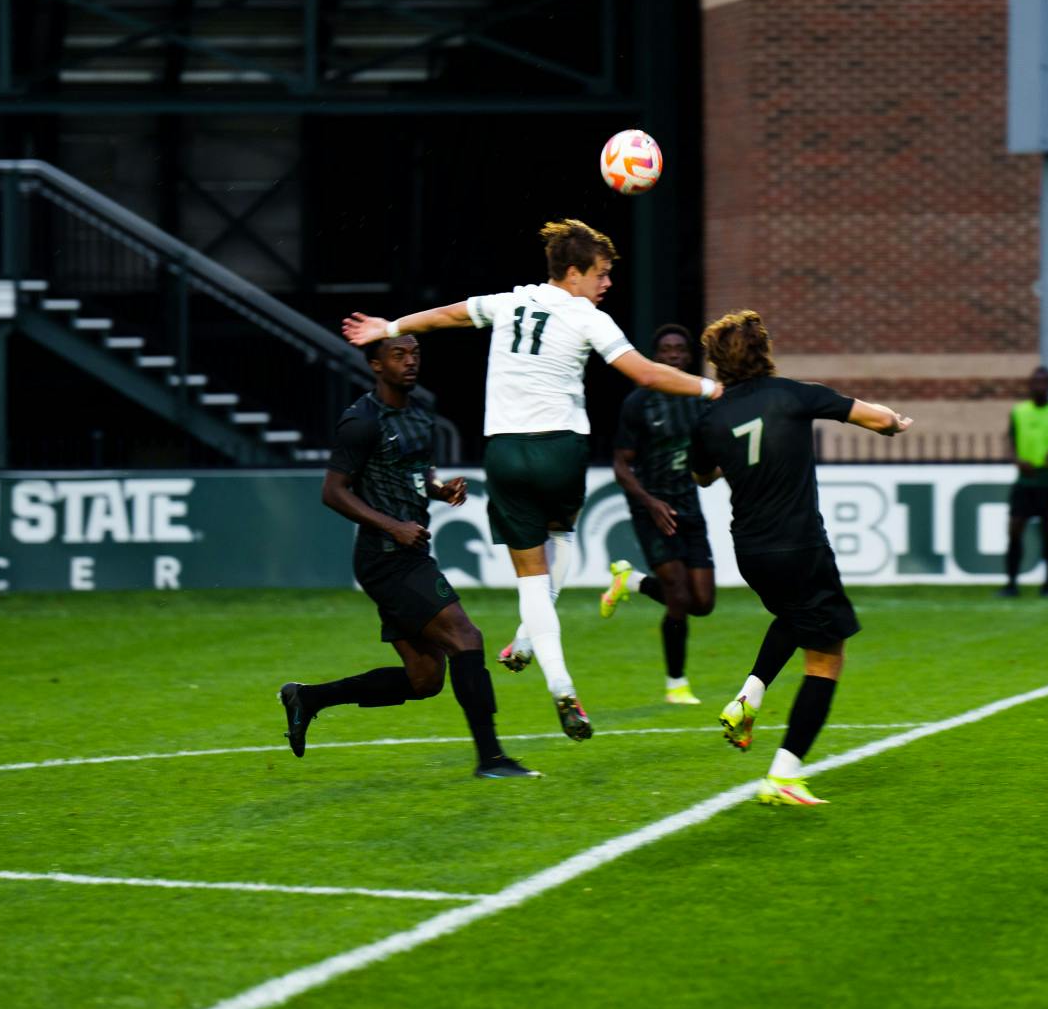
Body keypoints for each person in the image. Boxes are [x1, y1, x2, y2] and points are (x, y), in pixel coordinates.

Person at [340, 219, 720, 743]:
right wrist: (710, 389)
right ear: (573, 272)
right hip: (560, 447)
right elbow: (648, 374)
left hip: (504, 452)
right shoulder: (586, 316)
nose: (607, 285)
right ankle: (526, 642)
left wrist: (388, 328)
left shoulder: (508, 302)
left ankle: (554, 676)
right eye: (601, 274)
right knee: (560, 541)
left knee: (529, 578)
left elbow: (447, 314)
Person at [278, 333, 538, 779]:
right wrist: (393, 526)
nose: (410, 361)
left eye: (415, 353)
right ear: (376, 365)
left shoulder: (421, 413)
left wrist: (439, 489)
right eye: (398, 354)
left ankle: (308, 698)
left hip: (407, 551)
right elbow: (333, 492)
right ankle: (492, 759)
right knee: (466, 637)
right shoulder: (360, 420)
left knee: (424, 679)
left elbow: (415, 471)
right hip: (385, 556)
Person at [689, 310, 912, 808]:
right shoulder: (792, 394)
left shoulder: (710, 418)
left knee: (793, 614)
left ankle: (748, 698)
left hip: (749, 550)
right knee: (826, 657)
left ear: (719, 364)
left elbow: (701, 476)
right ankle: (784, 774)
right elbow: (874, 417)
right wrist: (894, 424)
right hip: (800, 544)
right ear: (763, 352)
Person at [602, 324, 715, 705]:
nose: (673, 355)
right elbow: (620, 465)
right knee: (678, 595)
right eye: (665, 350)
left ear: (689, 356)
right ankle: (676, 684)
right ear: (655, 357)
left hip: (689, 506)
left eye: (680, 350)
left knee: (703, 603)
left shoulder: (701, 398)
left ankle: (630, 582)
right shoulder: (639, 403)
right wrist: (649, 501)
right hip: (652, 508)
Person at [1001, 366, 1048, 598]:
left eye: (1044, 382)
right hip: (1025, 480)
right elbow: (1010, 442)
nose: (1039, 386)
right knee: (1014, 529)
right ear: (1029, 385)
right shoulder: (1019, 412)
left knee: (1047, 530)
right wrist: (1016, 460)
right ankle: (1011, 584)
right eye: (1035, 382)